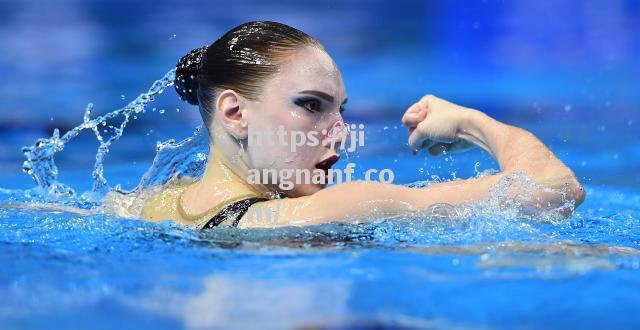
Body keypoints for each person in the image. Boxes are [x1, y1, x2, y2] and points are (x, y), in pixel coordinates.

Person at [133, 21, 584, 229]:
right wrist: (471, 123)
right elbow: (556, 190)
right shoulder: (332, 208)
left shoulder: (152, 204)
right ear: (234, 112)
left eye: (341, 111)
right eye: (311, 105)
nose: (341, 133)